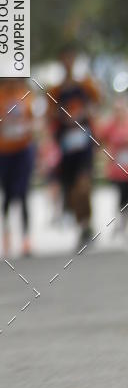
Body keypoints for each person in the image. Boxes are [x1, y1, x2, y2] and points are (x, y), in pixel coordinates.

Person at [46, 46, 101, 251]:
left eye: (71, 58)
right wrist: (63, 119)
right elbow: (49, 116)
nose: (68, 62)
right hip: (66, 147)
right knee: (73, 192)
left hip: (84, 143)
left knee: (84, 186)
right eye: (65, 59)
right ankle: (83, 226)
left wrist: (82, 114)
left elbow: (96, 105)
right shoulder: (55, 91)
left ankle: (87, 223)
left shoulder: (86, 85)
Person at [0, 77, 36, 258]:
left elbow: (36, 121)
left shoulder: (27, 95)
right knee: (7, 194)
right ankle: (6, 233)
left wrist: (29, 128)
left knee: (24, 193)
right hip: (1, 151)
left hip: (23, 150)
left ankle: (26, 239)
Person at [97, 97, 128, 237]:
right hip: (117, 169)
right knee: (121, 195)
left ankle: (122, 222)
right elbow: (100, 137)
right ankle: (121, 222)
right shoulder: (111, 126)